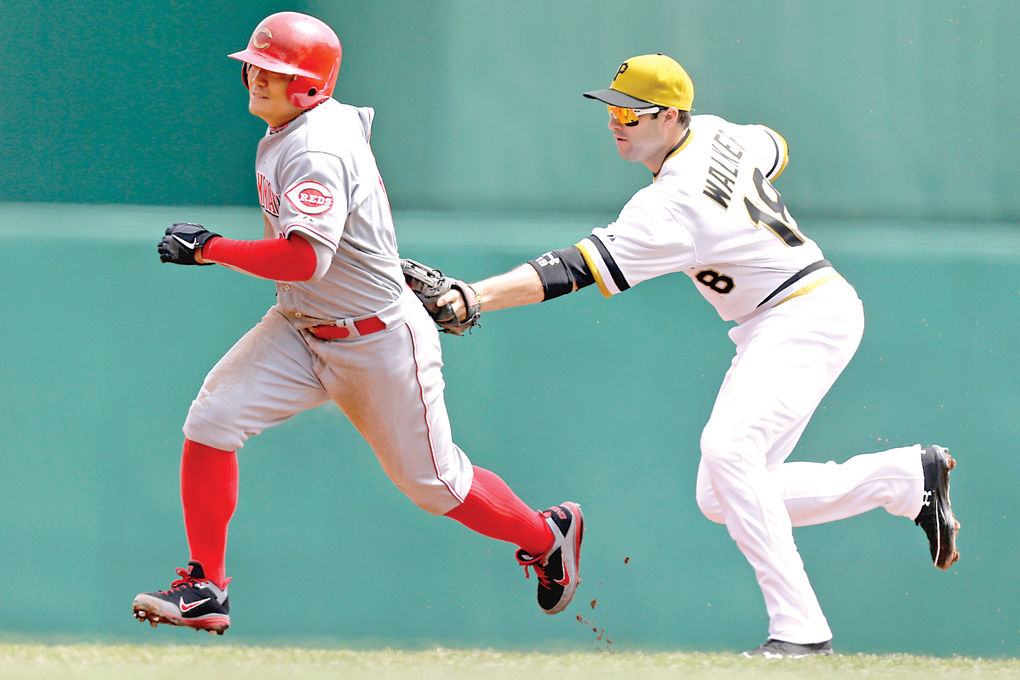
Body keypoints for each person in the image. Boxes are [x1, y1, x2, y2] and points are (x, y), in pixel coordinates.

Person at [432, 53, 959, 657]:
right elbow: (776, 147)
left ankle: (801, 632)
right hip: (786, 314)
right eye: (611, 108)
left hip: (802, 314)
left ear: (671, 116)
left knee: (729, 451)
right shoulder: (716, 131)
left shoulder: (671, 202)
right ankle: (901, 480)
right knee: (723, 495)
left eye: (632, 112)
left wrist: (476, 295)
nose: (616, 122)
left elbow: (573, 269)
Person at [131, 11, 583, 636]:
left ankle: (546, 533)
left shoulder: (313, 146)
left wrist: (212, 248)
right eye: (255, 66)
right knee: (211, 421)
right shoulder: (313, 124)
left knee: (435, 487)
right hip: (300, 325)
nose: (257, 78)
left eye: (275, 71)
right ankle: (206, 586)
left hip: (376, 341)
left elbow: (305, 257)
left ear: (311, 86)